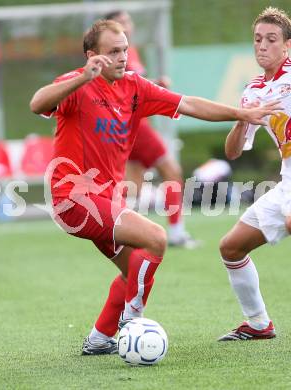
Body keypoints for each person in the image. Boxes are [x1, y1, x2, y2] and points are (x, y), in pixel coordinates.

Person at [30, 19, 278, 355]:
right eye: (113, 52)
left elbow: (188, 104)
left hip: (106, 199)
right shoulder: (76, 85)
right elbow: (37, 103)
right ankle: (133, 321)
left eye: (125, 50)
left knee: (134, 269)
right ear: (92, 55)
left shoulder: (135, 87)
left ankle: (99, 339)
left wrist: (240, 113)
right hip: (73, 200)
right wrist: (81, 77)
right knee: (156, 238)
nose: (122, 57)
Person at [218, 7, 291, 341]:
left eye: (271, 40)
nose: (262, 45)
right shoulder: (253, 92)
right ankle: (259, 324)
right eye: (258, 39)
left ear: (287, 46)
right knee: (231, 247)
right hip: (287, 180)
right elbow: (232, 152)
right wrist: (242, 117)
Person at [105, 10, 200, 248]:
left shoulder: (131, 51)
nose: (128, 25)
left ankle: (116, 233)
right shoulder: (112, 55)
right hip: (129, 125)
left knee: (132, 185)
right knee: (171, 170)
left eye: (128, 21)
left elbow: (132, 89)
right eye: (121, 22)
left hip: (132, 123)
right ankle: (176, 232)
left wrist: (155, 85)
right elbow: (119, 91)